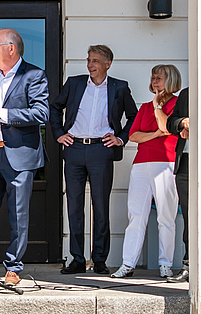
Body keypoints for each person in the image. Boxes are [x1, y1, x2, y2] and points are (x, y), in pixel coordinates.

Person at [50, 45, 137, 275]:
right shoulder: (75, 83)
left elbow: (134, 117)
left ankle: (99, 259)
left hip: (101, 151)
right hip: (75, 149)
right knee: (74, 206)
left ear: (108, 63)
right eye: (89, 60)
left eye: (96, 61)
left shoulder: (120, 87)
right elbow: (55, 108)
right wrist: (59, 133)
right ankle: (77, 259)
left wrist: (120, 138)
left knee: (100, 206)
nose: (90, 64)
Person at [0, 28, 49, 287]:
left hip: (19, 156)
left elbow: (41, 114)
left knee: (17, 214)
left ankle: (13, 267)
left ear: (11, 48)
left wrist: (2, 114)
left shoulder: (34, 75)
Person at [111, 65, 180, 279]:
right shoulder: (144, 107)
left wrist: (158, 110)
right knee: (136, 215)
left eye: (159, 78)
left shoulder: (177, 104)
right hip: (141, 163)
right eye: (153, 77)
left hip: (166, 162)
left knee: (166, 216)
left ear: (170, 80)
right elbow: (133, 136)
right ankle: (128, 263)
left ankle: (165, 264)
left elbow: (167, 127)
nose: (154, 81)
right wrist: (155, 134)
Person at [165, 87, 190, 283]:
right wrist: (182, 122)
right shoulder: (186, 94)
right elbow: (170, 122)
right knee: (189, 217)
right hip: (186, 163)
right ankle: (188, 265)